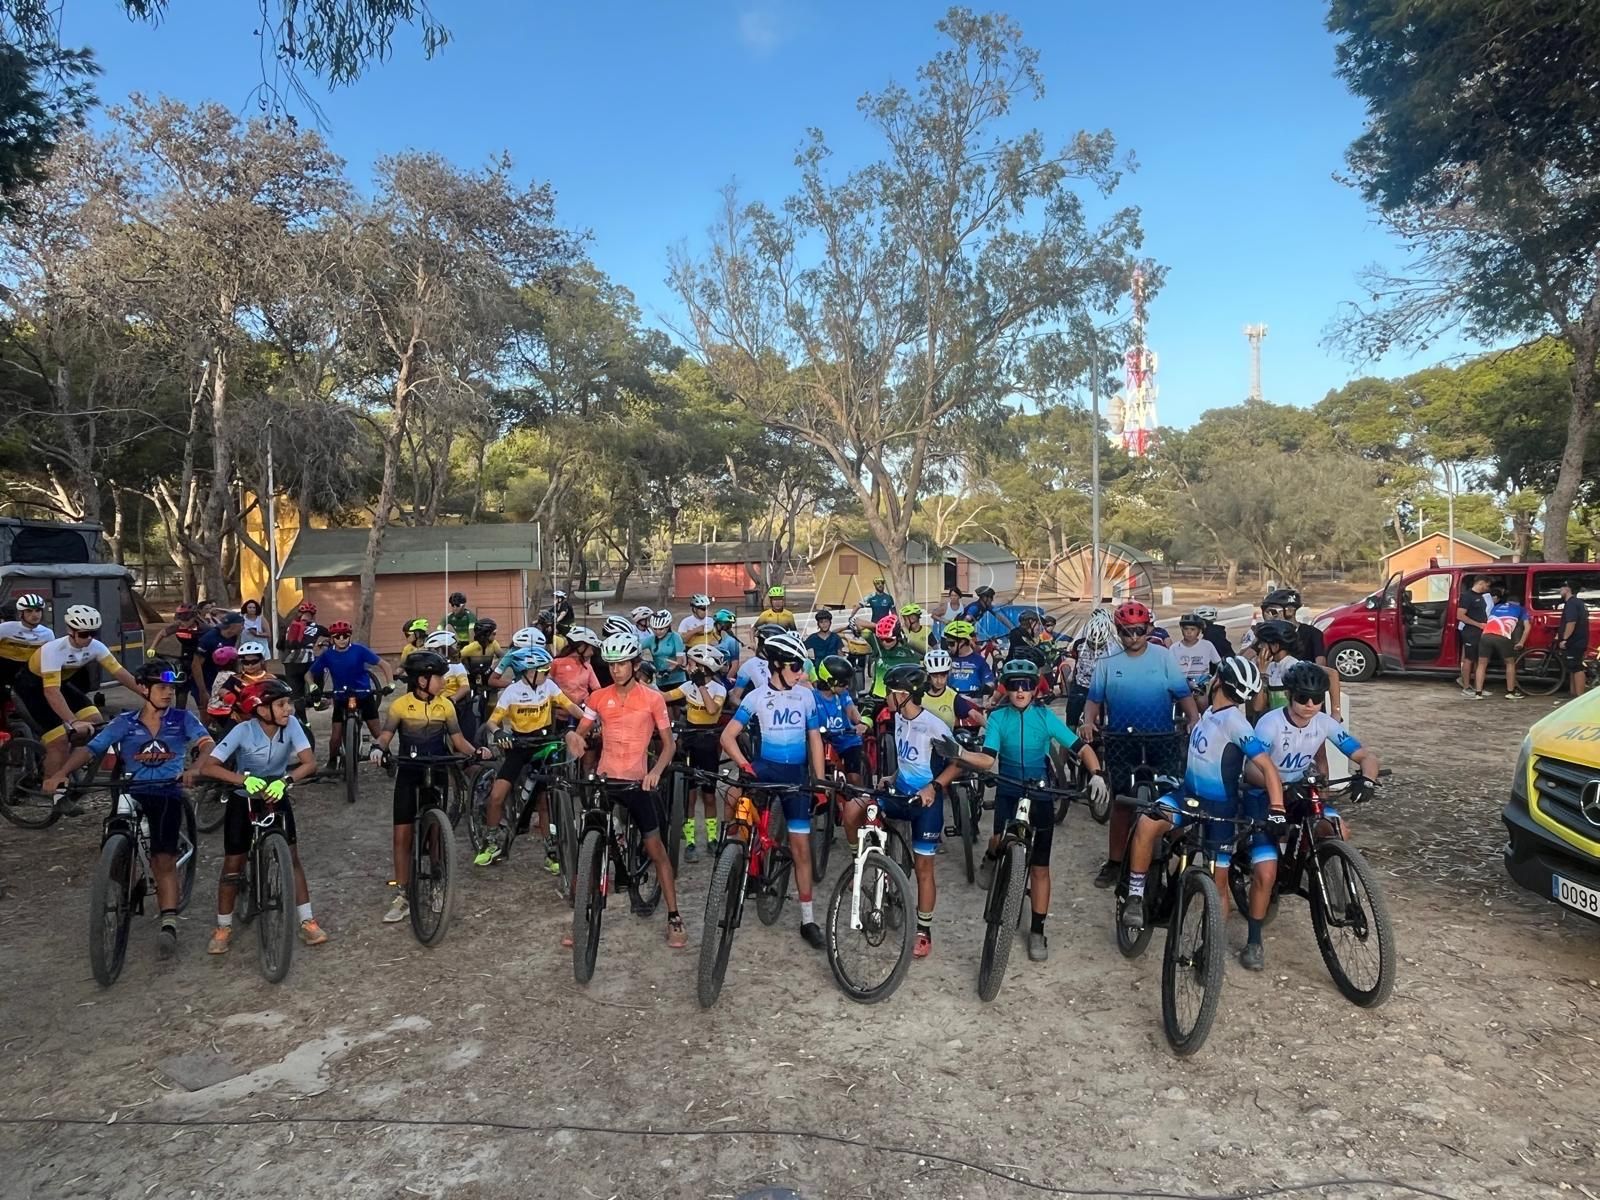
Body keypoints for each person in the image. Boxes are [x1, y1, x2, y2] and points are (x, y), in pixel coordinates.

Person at [1120, 656, 1286, 971]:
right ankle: (1136, 896)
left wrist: (1276, 809)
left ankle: (1210, 947)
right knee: (1147, 824)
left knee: (1217, 882)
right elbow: (1196, 698)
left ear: (1218, 683)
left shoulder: (1236, 722)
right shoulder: (1212, 710)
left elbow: (1267, 767)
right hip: (1189, 796)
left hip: (1219, 808)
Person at [43, 660, 214, 958]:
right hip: (131, 790)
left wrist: (196, 768)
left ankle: (169, 920)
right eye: (161, 687)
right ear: (144, 689)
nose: (168, 694)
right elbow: (90, 749)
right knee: (114, 837)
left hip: (166, 791)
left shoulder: (183, 718)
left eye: (171, 688)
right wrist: (60, 775)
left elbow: (207, 744)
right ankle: (120, 871)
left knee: (163, 858)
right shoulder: (124, 723)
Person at [836, 662, 989, 960]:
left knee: (924, 869)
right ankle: (864, 861)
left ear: (904, 695)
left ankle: (923, 930)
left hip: (926, 803)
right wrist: (892, 776)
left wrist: (934, 787)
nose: (886, 698)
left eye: (890, 693)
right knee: (853, 811)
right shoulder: (897, 718)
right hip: (900, 793)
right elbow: (909, 759)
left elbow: (958, 762)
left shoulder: (933, 725)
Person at [974, 659, 1109, 962]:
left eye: (1026, 685)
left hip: (1040, 792)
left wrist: (1097, 773)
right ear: (1005, 689)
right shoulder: (997, 719)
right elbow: (987, 757)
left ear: (1035, 689)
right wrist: (962, 757)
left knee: (1041, 868)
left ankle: (1037, 930)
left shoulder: (1045, 717)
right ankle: (992, 856)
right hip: (1008, 787)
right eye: (1013, 685)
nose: (1020, 691)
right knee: (998, 838)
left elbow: (1081, 747)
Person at [565, 629, 687, 949]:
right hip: (606, 779)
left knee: (656, 848)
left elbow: (669, 745)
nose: (616, 669)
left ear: (634, 664)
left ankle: (674, 916)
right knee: (588, 846)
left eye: (621, 664)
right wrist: (574, 740)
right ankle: (582, 918)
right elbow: (581, 733)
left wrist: (656, 772)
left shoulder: (652, 698)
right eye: (611, 664)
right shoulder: (598, 697)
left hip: (638, 781)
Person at [200, 678, 327, 951]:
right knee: (232, 864)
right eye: (281, 705)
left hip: (276, 794)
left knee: (292, 857)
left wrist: (286, 781)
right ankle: (223, 926)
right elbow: (209, 767)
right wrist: (241, 780)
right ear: (260, 709)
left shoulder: (291, 726)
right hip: (243, 799)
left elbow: (310, 763)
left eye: (288, 704)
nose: (288, 710)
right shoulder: (242, 730)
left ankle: (307, 921)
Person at [1081, 600, 1199, 889]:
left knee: (1171, 798)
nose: (1133, 637)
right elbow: (1094, 699)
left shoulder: (1163, 657)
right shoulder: (1107, 662)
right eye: (1126, 632)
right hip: (1121, 739)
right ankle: (1115, 861)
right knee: (1121, 803)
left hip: (1162, 738)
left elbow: (1183, 693)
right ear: (1118, 632)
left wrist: (1195, 718)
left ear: (1149, 628)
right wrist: (1087, 721)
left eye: (1139, 630)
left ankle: (1177, 855)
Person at [366, 651, 493, 919]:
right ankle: (402, 893)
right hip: (409, 771)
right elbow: (386, 735)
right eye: (439, 677)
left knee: (437, 832)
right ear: (422, 680)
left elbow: (458, 741)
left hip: (436, 771)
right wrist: (378, 749)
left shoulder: (445, 706)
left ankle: (437, 882)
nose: (444, 682)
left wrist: (477, 751)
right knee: (401, 835)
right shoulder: (400, 706)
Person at [720, 631, 827, 949]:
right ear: (778, 666)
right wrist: (744, 763)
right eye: (796, 666)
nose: (801, 672)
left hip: (796, 777)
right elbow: (727, 737)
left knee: (800, 850)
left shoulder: (806, 696)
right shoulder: (755, 698)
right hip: (763, 770)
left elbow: (815, 740)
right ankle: (734, 859)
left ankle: (808, 919)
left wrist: (819, 782)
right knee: (735, 801)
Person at [13, 604, 144, 799]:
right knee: (59, 740)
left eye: (93, 633)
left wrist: (148, 695)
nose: (89, 638)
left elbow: (122, 674)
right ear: (70, 631)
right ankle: (53, 789)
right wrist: (73, 722)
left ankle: (69, 765)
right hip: (32, 690)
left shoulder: (96, 647)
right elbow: (51, 693)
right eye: (84, 634)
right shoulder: (53, 650)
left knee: (97, 722)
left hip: (61, 684)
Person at [1255, 661, 1381, 843]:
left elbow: (1364, 756)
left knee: (1339, 832)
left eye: (1316, 699)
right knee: (1276, 846)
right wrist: (1282, 786)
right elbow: (1251, 769)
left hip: (1301, 791)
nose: (1310, 704)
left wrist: (1368, 780)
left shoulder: (1324, 722)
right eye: (1302, 697)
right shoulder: (1270, 723)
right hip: (1265, 791)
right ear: (1288, 694)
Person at [662, 643, 729, 862]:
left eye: (693, 664)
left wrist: (701, 686)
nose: (689, 667)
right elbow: (664, 697)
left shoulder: (719, 690)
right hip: (689, 739)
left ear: (704, 668)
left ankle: (711, 838)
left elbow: (711, 710)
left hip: (709, 741)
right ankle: (690, 842)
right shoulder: (687, 686)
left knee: (709, 796)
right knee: (689, 796)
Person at [308, 620, 392, 770]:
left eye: (345, 636)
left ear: (350, 637)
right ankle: (332, 760)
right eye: (337, 636)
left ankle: (387, 755)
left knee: (376, 731)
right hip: (341, 697)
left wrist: (390, 683)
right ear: (332, 638)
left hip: (364, 695)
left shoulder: (359, 650)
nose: (342, 639)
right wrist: (313, 686)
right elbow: (309, 674)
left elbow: (384, 664)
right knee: (335, 737)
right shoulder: (328, 655)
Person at [1267, 588, 1341, 713]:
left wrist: (1336, 711)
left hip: (1306, 695)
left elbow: (1321, 664)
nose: (1270, 616)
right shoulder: (1270, 635)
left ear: (1290, 611)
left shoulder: (1312, 633)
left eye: (1274, 612)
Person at [813, 653, 868, 782]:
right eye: (843, 683)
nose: (847, 686)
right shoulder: (811, 697)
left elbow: (852, 711)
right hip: (822, 743)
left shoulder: (842, 695)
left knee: (853, 778)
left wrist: (860, 723)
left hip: (846, 742)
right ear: (831, 681)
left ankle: (860, 798)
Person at [1063, 607, 1117, 730]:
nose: (1095, 647)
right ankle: (1068, 742)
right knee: (1071, 722)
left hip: (1104, 686)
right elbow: (1076, 661)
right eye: (1092, 644)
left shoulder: (1114, 646)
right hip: (1082, 685)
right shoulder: (1079, 644)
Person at [146, 601, 205, 709]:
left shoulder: (203, 629)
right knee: (181, 688)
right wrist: (152, 647)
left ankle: (206, 715)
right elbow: (162, 633)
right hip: (185, 659)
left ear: (194, 617)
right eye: (180, 619)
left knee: (200, 691)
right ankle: (179, 713)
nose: (183, 623)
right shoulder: (177, 626)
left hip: (201, 661)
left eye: (186, 620)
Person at [1474, 585, 1529, 700]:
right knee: (1510, 663)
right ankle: (1510, 692)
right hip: (1502, 635)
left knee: (1482, 664)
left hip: (1486, 635)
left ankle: (1478, 693)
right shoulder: (1521, 609)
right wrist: (1521, 642)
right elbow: (1527, 627)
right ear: (1518, 603)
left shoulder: (1496, 607)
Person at [0, 592, 54, 699]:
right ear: (20, 614)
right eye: (29, 611)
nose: (35, 615)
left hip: (27, 671)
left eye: (38, 610)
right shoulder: (4, 628)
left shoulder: (48, 634)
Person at [919, 648, 985, 734]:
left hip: (945, 744)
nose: (939, 681)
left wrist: (992, 729)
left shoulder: (952, 696)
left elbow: (974, 714)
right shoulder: (918, 694)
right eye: (934, 676)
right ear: (928, 675)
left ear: (948, 674)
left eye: (943, 675)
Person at [192, 611, 245, 712]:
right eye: (241, 625)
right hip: (206, 680)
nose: (243, 628)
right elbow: (196, 665)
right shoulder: (208, 639)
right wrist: (202, 691)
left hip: (223, 679)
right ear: (234, 626)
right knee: (207, 712)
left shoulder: (234, 636)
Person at [1250, 619, 1301, 717]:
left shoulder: (1293, 666)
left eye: (1263, 643)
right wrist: (1261, 674)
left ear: (1275, 646)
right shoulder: (1269, 666)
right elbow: (1258, 707)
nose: (1260, 646)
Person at [279, 601, 322, 712]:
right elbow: (332, 635)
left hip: (290, 662)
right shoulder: (317, 628)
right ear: (313, 615)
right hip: (307, 660)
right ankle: (316, 700)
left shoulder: (289, 627)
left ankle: (305, 724)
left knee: (298, 697)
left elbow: (279, 645)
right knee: (318, 671)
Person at [1455, 575, 1493, 696]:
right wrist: (1478, 624)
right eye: (1487, 585)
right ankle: (1466, 687)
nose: (1487, 588)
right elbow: (1460, 615)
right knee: (1469, 659)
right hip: (1470, 632)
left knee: (1479, 659)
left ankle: (1478, 688)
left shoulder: (1481, 597)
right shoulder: (1467, 597)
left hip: (1481, 632)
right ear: (1481, 583)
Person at [940, 619, 996, 701]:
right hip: (950, 701)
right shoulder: (946, 659)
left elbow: (990, 682)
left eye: (951, 643)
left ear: (962, 642)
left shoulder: (979, 661)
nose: (948, 646)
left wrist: (984, 690)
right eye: (947, 643)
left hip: (973, 702)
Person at [550, 625, 604, 710]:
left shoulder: (587, 667)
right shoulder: (557, 663)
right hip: (560, 712)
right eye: (591, 648)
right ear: (581, 647)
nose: (592, 653)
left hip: (583, 711)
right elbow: (547, 684)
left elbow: (597, 689)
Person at [1557, 579, 1590, 699]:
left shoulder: (1572, 603)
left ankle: (1580, 697)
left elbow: (1571, 622)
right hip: (1577, 640)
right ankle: (1573, 693)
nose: (1560, 590)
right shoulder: (1575, 603)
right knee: (1571, 666)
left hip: (1575, 640)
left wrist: (1565, 639)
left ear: (1567, 589)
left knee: (1576, 667)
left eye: (1562, 587)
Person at [1174, 613, 1221, 691]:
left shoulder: (1207, 645)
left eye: (1192, 629)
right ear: (1182, 629)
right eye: (1186, 629)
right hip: (1182, 685)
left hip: (1203, 684)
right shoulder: (1175, 648)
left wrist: (1214, 679)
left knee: (1202, 701)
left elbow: (1219, 664)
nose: (1189, 632)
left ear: (1199, 630)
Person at [643, 609, 687, 689]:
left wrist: (668, 670)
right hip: (661, 681)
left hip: (678, 680)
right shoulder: (651, 639)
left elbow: (680, 660)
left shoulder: (675, 637)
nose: (657, 632)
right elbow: (636, 647)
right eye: (655, 629)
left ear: (668, 626)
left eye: (661, 629)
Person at [713, 609, 743, 683]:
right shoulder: (711, 638)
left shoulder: (732, 642)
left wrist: (727, 679)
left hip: (725, 677)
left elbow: (735, 666)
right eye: (727, 625)